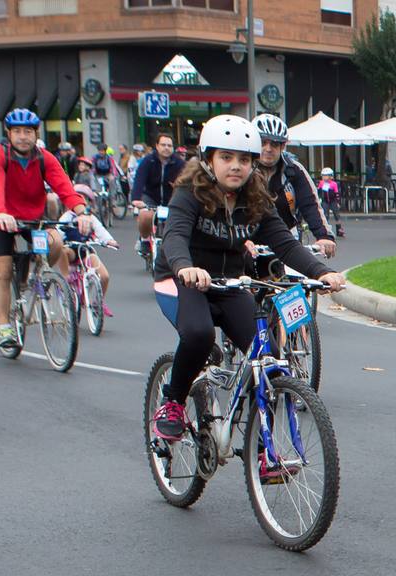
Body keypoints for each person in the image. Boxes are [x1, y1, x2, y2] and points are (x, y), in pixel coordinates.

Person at [148, 115, 347, 441]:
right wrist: (185, 266)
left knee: (267, 351)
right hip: (180, 279)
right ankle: (172, 401)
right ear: (208, 159)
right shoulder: (189, 192)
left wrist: (321, 272)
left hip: (228, 282)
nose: (236, 166)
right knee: (199, 335)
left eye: (244, 159)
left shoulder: (255, 198)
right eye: (226, 157)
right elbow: (175, 236)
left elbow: (285, 243)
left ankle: (264, 446)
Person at [0, 108, 89, 351]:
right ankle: (4, 326)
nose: (22, 137)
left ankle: (36, 275)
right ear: (8, 134)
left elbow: (64, 186)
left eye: (27, 132)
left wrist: (82, 212)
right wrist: (0, 211)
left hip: (31, 218)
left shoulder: (44, 158)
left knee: (55, 243)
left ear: (35, 134)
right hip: (0, 219)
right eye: (17, 132)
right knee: (4, 270)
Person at [249, 113, 335, 257]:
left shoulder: (294, 170)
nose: (268, 148)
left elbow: (310, 204)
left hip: (285, 237)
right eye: (263, 142)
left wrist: (324, 236)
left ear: (283, 145)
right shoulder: (242, 168)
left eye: (275, 144)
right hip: (246, 239)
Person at [131, 132, 186, 250]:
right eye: (163, 145)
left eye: (169, 145)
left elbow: (186, 181)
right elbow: (139, 179)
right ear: (157, 146)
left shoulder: (180, 163)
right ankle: (144, 239)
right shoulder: (148, 161)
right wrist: (135, 199)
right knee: (145, 216)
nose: (166, 148)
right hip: (151, 197)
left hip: (171, 199)